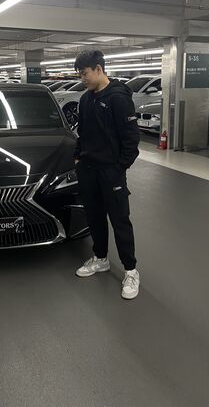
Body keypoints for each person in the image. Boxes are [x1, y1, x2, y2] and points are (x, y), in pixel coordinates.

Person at [74, 50, 141, 300]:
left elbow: (131, 140)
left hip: (111, 173)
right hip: (88, 171)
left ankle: (131, 270)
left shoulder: (118, 98)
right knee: (94, 218)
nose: (82, 79)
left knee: (120, 220)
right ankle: (100, 258)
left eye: (84, 73)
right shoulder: (85, 99)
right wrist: (78, 157)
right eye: (80, 75)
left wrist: (119, 168)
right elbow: (82, 133)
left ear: (99, 69)